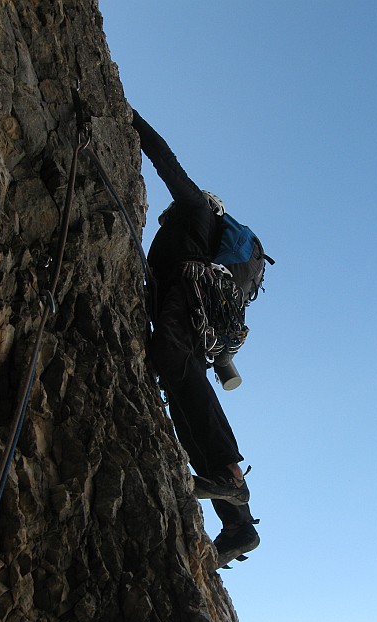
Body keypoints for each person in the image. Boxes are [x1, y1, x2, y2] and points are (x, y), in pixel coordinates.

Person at [131, 108, 265, 569]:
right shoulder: (191, 232)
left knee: (181, 374)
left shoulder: (194, 209)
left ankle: (230, 475)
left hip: (186, 301)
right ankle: (238, 525)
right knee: (185, 396)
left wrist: (131, 120)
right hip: (192, 310)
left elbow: (168, 163)